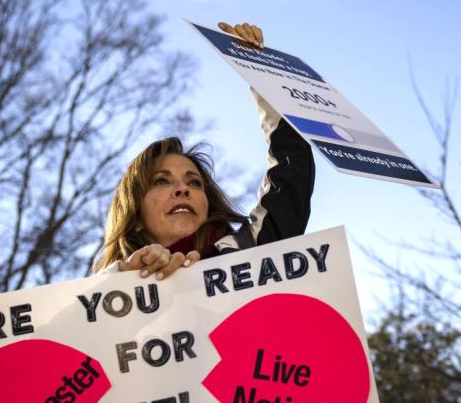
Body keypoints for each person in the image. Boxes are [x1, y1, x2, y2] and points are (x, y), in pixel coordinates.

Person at [95, 22, 314, 278]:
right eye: (161, 181)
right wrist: (121, 277)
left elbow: (292, 167)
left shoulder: (251, 251)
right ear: (135, 215)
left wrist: (259, 69)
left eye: (195, 183)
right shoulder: (109, 286)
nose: (183, 189)